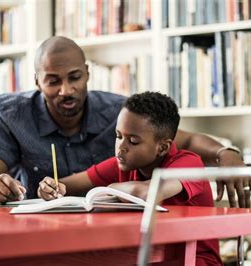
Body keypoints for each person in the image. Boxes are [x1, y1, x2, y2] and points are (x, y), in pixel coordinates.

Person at [0, 36, 251, 208]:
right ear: (37, 82)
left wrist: (225, 153)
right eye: (53, 81)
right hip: (34, 233)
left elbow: (186, 140)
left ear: (88, 74)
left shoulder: (121, 112)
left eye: (74, 78)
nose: (66, 90)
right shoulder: (10, 112)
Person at [38, 91, 222, 265]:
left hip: (194, 260)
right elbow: (66, 184)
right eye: (118, 136)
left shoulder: (189, 163)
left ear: (163, 148)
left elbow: (146, 191)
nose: (121, 147)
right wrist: (50, 187)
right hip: (149, 257)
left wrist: (110, 188)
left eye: (133, 141)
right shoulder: (124, 162)